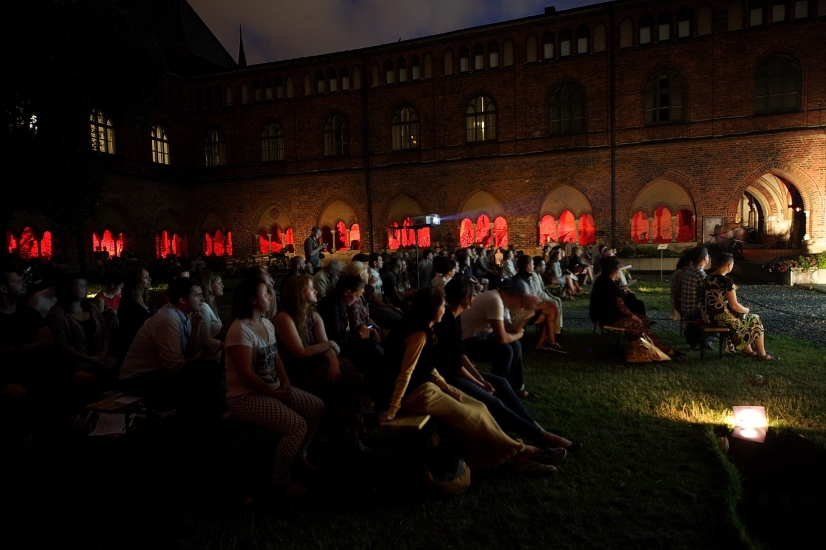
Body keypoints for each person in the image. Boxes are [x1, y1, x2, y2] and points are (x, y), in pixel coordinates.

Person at [377, 286, 563, 475]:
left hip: (424, 387)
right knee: (471, 418)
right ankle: (528, 451)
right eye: (442, 305)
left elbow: (426, 365)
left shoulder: (422, 326)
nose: (444, 308)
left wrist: (448, 390)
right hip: (413, 393)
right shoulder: (418, 333)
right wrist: (393, 408)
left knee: (479, 408)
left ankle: (520, 456)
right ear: (432, 309)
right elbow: (406, 372)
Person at [434, 277, 578, 451]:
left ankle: (535, 427)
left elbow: (461, 354)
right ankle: (542, 436)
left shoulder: (454, 316)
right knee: (494, 395)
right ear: (464, 297)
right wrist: (479, 382)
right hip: (447, 374)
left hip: (457, 365)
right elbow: (455, 364)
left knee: (501, 380)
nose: (474, 297)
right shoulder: (450, 320)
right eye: (472, 294)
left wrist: (481, 379)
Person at [224, 278, 324, 497]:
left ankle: (298, 454)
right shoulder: (239, 331)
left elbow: (275, 356)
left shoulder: (266, 323)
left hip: (274, 388)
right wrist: (275, 394)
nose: (271, 297)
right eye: (265, 293)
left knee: (316, 406)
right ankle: (281, 480)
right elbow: (245, 375)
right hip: (245, 396)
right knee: (296, 425)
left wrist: (285, 382)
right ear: (252, 300)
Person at [275, 275, 372, 451]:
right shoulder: (284, 318)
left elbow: (325, 346)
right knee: (346, 372)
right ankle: (353, 428)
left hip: (316, 365)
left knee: (344, 371)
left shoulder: (313, 315)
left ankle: (345, 433)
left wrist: (333, 362)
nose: (316, 291)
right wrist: (330, 344)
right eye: (311, 287)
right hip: (296, 372)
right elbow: (300, 352)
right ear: (299, 292)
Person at [120, 278, 224, 416]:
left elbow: (188, 352)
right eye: (198, 295)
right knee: (205, 372)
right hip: (138, 379)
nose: (202, 299)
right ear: (182, 300)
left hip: (156, 371)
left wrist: (195, 328)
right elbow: (174, 365)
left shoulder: (183, 316)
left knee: (209, 368)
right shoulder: (169, 320)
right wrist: (199, 356)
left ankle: (204, 416)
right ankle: (200, 418)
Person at [1, 266, 54, 446]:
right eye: (17, 281)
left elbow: (49, 341)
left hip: (34, 368)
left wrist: (18, 348)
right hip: (8, 375)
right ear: (3, 288)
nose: (24, 284)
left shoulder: (28, 313)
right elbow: (3, 354)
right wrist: (34, 346)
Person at [461, 278, 536, 398]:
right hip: (464, 342)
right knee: (505, 350)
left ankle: (516, 388)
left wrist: (529, 313)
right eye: (522, 301)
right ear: (515, 295)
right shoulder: (494, 300)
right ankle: (498, 390)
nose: (522, 306)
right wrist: (519, 335)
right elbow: (502, 337)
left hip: (479, 338)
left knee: (515, 344)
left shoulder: (502, 301)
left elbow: (510, 329)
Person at [589, 261, 678, 357]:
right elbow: (621, 307)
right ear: (616, 272)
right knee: (637, 324)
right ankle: (661, 349)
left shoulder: (602, 280)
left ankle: (643, 347)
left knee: (644, 319)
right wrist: (634, 317)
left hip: (605, 315)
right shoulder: (610, 286)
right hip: (610, 318)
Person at [702, 253, 774, 360]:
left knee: (741, 317)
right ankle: (762, 354)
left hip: (706, 316)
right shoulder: (727, 282)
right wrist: (746, 310)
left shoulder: (707, 278)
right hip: (720, 318)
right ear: (729, 265)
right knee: (755, 319)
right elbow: (734, 305)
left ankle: (748, 350)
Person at [46, 274, 115, 384]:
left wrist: (104, 352)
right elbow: (63, 346)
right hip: (73, 363)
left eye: (85, 285)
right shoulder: (57, 314)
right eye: (80, 285)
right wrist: (90, 359)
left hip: (99, 356)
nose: (85, 289)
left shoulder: (92, 308)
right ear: (68, 288)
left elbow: (105, 332)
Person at [317, 275, 383, 374]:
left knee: (375, 346)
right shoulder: (331, 305)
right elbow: (336, 338)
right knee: (374, 350)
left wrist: (361, 329)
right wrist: (359, 335)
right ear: (347, 292)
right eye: (357, 296)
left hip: (345, 343)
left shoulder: (342, 302)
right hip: (336, 349)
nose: (357, 300)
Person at [515, 255, 564, 353]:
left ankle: (544, 343)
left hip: (529, 308)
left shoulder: (526, 276)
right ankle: (549, 342)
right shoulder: (522, 279)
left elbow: (534, 292)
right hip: (524, 312)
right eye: (533, 264)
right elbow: (527, 298)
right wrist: (539, 304)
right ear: (527, 266)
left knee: (551, 311)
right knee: (550, 312)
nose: (534, 266)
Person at [676, 247, 711, 348]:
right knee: (718, 314)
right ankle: (705, 339)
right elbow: (706, 295)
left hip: (684, 309)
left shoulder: (688, 271)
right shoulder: (700, 274)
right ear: (705, 258)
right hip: (695, 311)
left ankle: (694, 336)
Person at [117, 267, 153, 363]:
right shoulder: (128, 304)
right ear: (136, 281)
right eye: (145, 277)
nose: (150, 279)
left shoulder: (146, 299)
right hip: (135, 347)